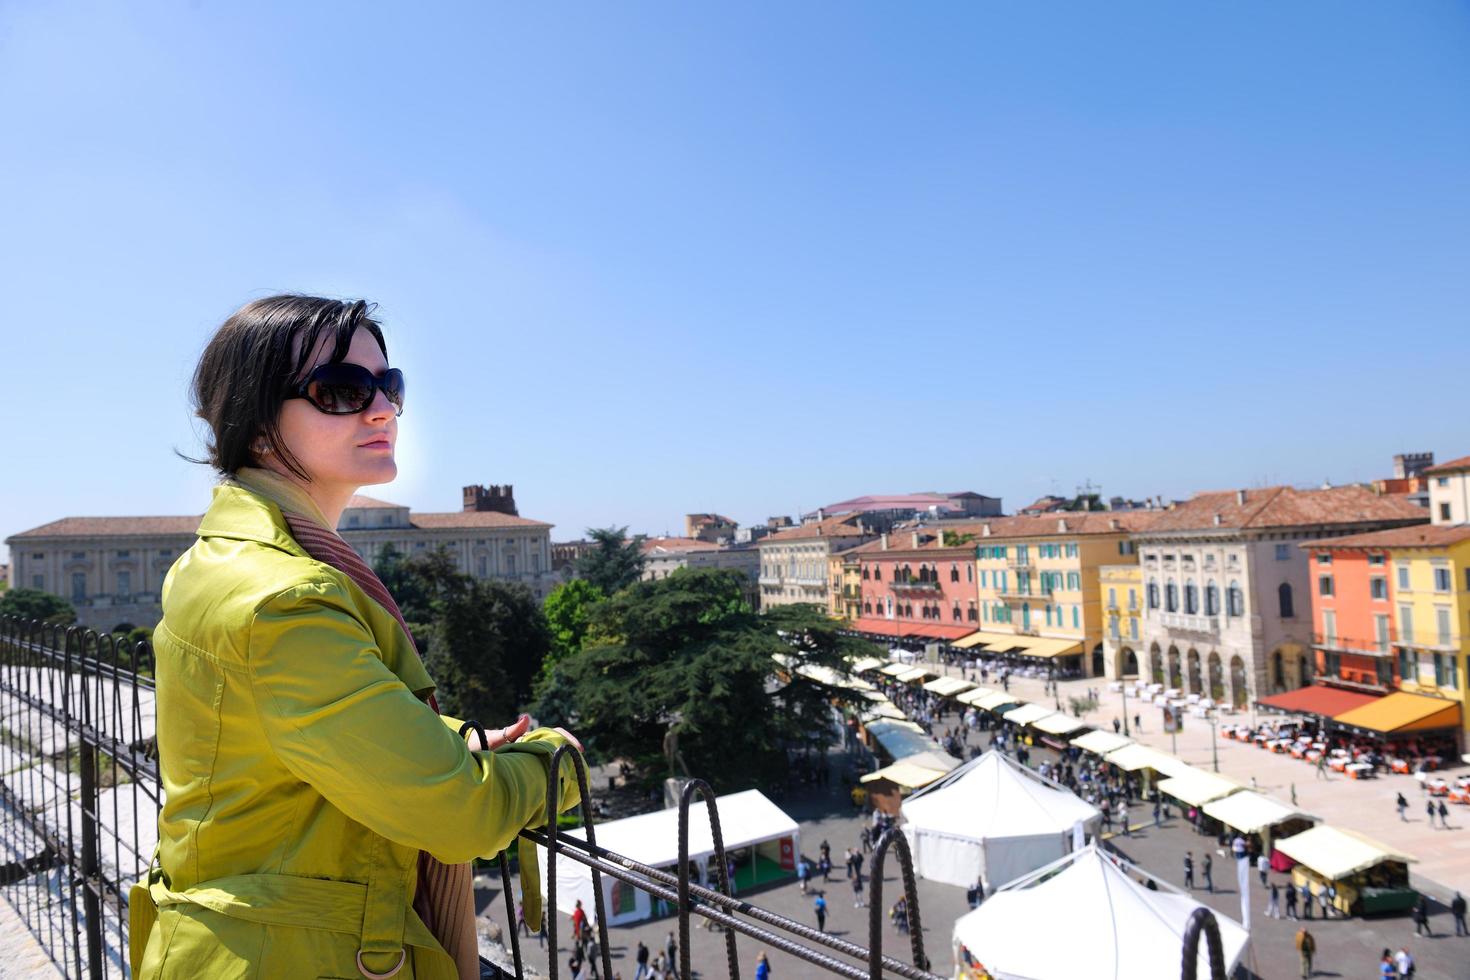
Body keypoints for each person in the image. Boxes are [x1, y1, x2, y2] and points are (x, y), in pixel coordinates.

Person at [126, 296, 586, 980]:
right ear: (254, 427)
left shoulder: (219, 557)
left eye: (389, 387)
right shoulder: (287, 599)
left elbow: (295, 738)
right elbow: (461, 815)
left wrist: (448, 742)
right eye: (342, 390)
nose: (382, 410)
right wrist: (556, 762)